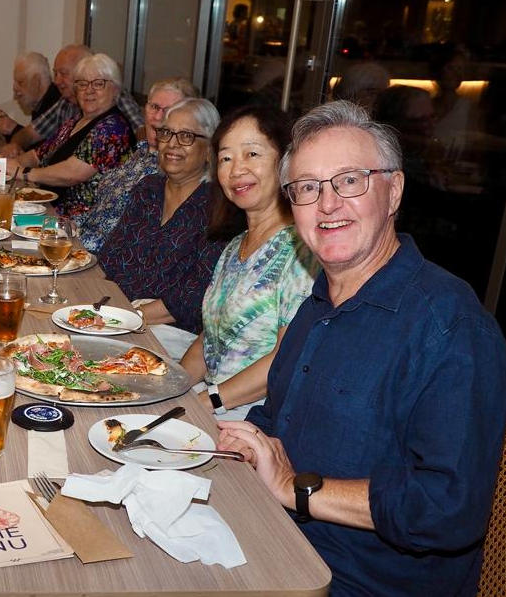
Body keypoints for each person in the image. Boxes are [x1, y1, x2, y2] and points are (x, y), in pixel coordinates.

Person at [217, 100, 506, 596]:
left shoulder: (450, 327)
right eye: (308, 187)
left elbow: (447, 508)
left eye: (350, 180)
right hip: (273, 541)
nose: (327, 204)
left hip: (357, 583)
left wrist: (296, 489)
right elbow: (278, 417)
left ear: (394, 191)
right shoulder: (317, 304)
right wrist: (244, 443)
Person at [179, 105, 318, 421]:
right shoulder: (234, 247)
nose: (236, 169)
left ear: (285, 162)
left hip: (253, 418)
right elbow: (210, 340)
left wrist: (204, 403)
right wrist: (170, 389)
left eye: (252, 154)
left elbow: (286, 358)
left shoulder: (302, 252)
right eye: (226, 158)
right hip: (211, 403)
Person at [97, 98, 225, 334]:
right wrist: (89, 305)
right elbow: (109, 257)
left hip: (169, 329)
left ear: (209, 150)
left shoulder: (218, 207)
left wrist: (125, 318)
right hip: (116, 310)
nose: (172, 144)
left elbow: (195, 295)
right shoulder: (148, 189)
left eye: (186, 136)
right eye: (166, 133)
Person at [5, 53, 133, 222]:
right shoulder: (75, 121)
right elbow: (38, 154)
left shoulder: (113, 128)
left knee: (3, 221)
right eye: (82, 84)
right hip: (49, 210)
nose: (89, 90)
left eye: (98, 84)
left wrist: (25, 173)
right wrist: (7, 165)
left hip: (78, 223)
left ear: (115, 89)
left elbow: (73, 173)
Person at [78, 77, 198, 251]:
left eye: (169, 111)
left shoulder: (171, 170)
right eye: (154, 107)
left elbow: (135, 243)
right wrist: (65, 225)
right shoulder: (139, 152)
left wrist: (74, 237)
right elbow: (100, 210)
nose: (158, 117)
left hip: (102, 256)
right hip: (82, 242)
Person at [0, 44, 144, 157]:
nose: (56, 81)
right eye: (55, 74)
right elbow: (31, 134)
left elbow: (142, 131)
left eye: (63, 73)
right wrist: (14, 146)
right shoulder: (66, 102)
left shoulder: (114, 96)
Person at [0, 52, 60, 141]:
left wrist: (12, 129)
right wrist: (10, 128)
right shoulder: (42, 104)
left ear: (36, 81)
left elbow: (43, 147)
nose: (14, 88)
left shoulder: (57, 104)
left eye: (20, 82)